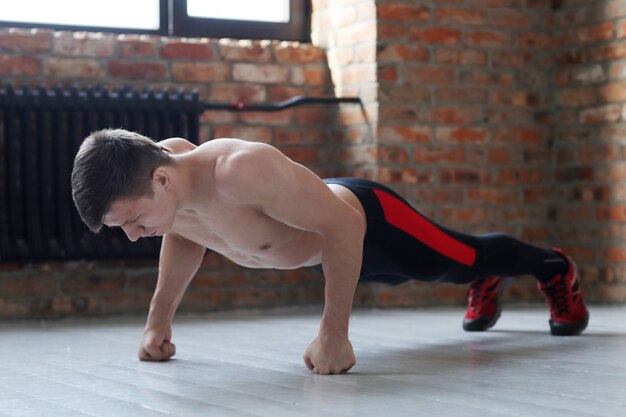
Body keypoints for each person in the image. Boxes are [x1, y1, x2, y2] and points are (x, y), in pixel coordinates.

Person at [71, 129, 589, 375]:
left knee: (464, 256)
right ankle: (481, 282)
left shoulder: (235, 170)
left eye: (133, 221)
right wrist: (157, 321)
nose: (134, 235)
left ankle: (553, 267)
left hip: (368, 221)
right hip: (327, 251)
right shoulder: (168, 180)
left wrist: (333, 336)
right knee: (438, 275)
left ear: (160, 180)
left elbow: (342, 225)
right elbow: (187, 237)